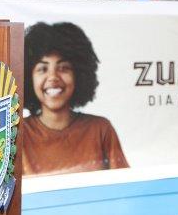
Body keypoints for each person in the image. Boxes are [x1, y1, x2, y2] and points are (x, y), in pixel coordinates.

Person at [23, 22, 128, 176]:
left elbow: (123, 188)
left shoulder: (100, 129)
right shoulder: (17, 135)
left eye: (63, 68)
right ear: (28, 77)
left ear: (79, 75)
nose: (53, 77)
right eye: (42, 69)